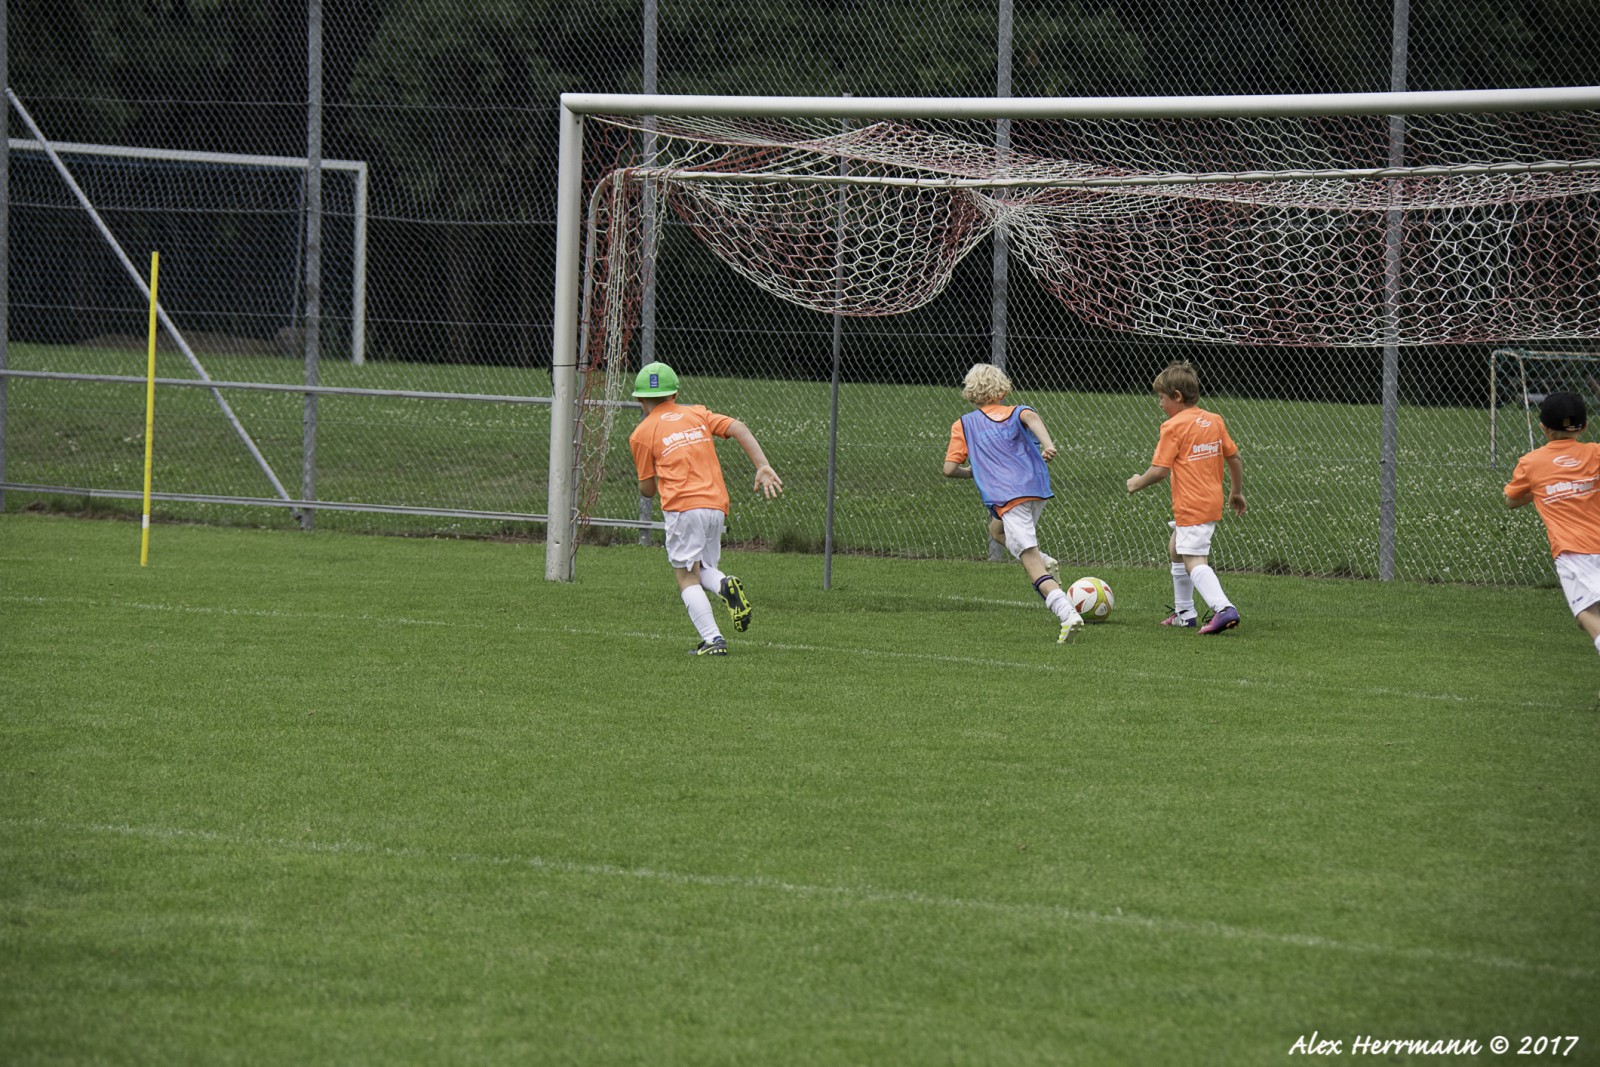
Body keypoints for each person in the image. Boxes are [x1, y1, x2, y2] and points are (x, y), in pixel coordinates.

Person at [628, 361, 784, 656]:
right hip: (716, 505)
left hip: (683, 508)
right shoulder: (697, 413)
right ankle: (724, 584)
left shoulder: (642, 433)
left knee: (686, 576)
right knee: (703, 569)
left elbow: (647, 490)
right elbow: (738, 427)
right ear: (675, 394)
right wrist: (762, 465)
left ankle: (713, 639)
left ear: (639, 400)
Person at [942, 362, 1085, 643]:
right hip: (1035, 490)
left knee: (1029, 561)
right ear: (1003, 389)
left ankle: (1067, 613)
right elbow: (1031, 416)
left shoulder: (963, 424)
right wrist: (1048, 444)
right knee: (996, 530)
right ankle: (1045, 561)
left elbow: (949, 469)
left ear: (970, 392)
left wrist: (971, 471)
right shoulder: (1016, 411)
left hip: (1009, 498)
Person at [1125, 360, 1246, 635]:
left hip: (1192, 504)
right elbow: (1235, 457)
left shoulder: (1172, 426)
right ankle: (1185, 613)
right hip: (1210, 501)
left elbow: (1159, 471)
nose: (1160, 404)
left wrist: (1136, 483)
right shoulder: (1214, 420)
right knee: (1176, 548)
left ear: (1177, 396)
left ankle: (1224, 608)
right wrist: (1236, 491)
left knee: (1193, 560)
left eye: (1162, 398)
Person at [1504, 391, 1600, 662]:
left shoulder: (1531, 463)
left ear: (1543, 428)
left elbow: (1511, 500)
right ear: (1584, 426)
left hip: (1573, 552)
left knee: (1585, 612)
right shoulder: (1595, 453)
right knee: (1587, 618)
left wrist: (1544, 488)